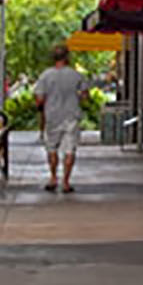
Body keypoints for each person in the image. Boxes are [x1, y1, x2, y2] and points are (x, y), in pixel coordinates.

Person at [33, 44, 93, 193]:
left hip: (52, 117)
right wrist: (76, 97)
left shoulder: (45, 75)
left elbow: (39, 99)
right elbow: (85, 95)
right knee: (70, 150)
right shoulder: (76, 75)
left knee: (52, 148)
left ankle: (53, 178)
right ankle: (66, 182)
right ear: (67, 57)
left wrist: (42, 106)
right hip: (72, 116)